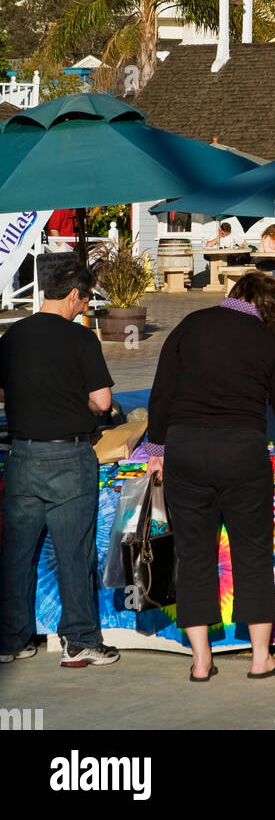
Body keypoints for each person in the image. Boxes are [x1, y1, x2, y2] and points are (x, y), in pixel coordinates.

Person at [146, 272, 275, 682]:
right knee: (252, 551)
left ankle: (200, 661)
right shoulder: (267, 342)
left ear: (234, 294)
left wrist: (156, 450)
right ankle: (261, 658)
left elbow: (161, 392)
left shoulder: (190, 325)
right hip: (242, 453)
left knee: (193, 554)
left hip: (186, 451)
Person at [0, 259, 120, 668]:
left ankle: (12, 639)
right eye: (85, 301)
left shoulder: (14, 334)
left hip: (21, 454)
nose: (84, 308)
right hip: (69, 456)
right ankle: (79, 641)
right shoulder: (81, 339)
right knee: (74, 553)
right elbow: (103, 402)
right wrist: (81, 402)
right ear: (73, 295)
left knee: (18, 553)